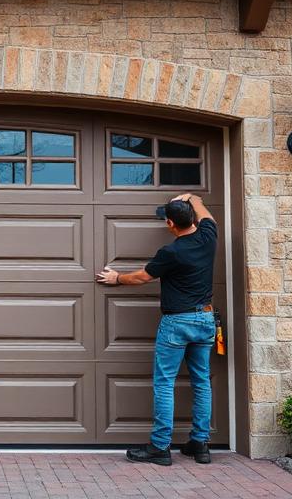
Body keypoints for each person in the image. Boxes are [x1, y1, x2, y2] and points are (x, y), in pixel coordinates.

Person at [96, 193, 217, 467]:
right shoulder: (209, 236)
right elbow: (204, 210)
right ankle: (200, 445)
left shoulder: (172, 252)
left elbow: (142, 277)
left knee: (164, 383)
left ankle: (160, 447)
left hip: (177, 323)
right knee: (201, 382)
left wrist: (117, 279)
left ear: (171, 224)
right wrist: (191, 197)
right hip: (205, 320)